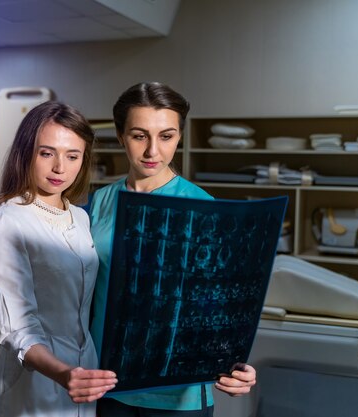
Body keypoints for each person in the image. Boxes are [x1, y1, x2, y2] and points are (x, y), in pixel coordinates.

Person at [89, 82, 257, 416]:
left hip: (176, 393)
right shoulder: (99, 202)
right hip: (107, 382)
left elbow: (221, 308)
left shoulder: (203, 208)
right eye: (139, 136)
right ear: (121, 136)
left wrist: (237, 366)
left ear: (179, 137)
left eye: (166, 136)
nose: (153, 151)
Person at [0, 101, 118, 417]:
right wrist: (62, 373)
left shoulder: (80, 217)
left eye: (72, 156)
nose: (60, 167)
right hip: (38, 377)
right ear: (25, 153)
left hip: (84, 374)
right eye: (46, 153)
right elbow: (18, 326)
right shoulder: (8, 221)